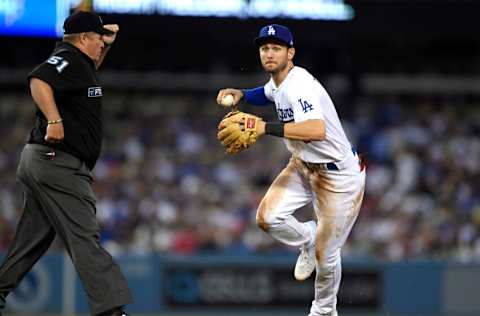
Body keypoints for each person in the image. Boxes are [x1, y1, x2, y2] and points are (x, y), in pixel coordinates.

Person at [216, 24, 366, 316]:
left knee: (327, 254)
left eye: (276, 48)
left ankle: (323, 311)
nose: (269, 53)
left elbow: (316, 129)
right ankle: (307, 238)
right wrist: (242, 94)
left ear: (291, 53)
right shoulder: (281, 82)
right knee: (268, 218)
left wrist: (263, 127)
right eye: (264, 48)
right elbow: (268, 93)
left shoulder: (300, 85)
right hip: (303, 165)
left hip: (338, 176)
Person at [0, 11, 133, 316]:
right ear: (84, 39)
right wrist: (54, 118)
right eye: (99, 38)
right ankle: (111, 311)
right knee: (84, 234)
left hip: (45, 162)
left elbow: (85, 68)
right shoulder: (68, 57)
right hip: (57, 162)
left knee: (32, 240)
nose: (103, 42)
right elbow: (38, 78)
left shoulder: (80, 64)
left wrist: (108, 43)